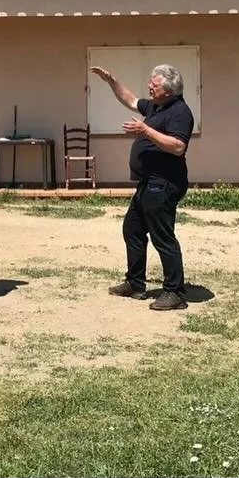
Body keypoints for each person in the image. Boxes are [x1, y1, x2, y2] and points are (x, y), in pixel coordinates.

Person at [90, 62, 195, 310]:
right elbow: (130, 100)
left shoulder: (179, 112)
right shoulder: (156, 107)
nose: (149, 86)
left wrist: (146, 130)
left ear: (168, 90)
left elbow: (178, 146)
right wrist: (111, 80)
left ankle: (175, 292)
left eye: (154, 83)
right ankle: (136, 283)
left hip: (164, 183)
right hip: (148, 183)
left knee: (163, 237)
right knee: (133, 229)